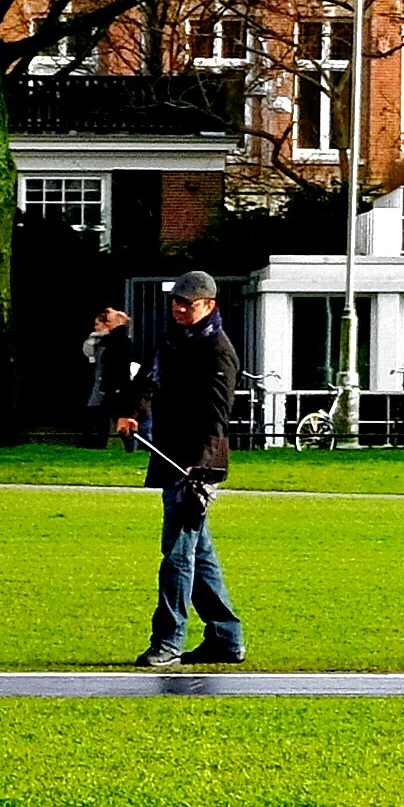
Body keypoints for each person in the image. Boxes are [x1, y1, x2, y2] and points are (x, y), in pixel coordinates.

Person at [127, 269, 248, 668]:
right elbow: (149, 379)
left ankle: (169, 641)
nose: (179, 309)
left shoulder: (217, 350)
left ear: (209, 306)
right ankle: (226, 638)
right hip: (169, 455)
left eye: (188, 303)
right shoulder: (174, 339)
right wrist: (132, 413)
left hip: (193, 465)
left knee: (177, 554)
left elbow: (217, 415)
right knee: (201, 554)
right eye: (176, 302)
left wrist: (199, 469)